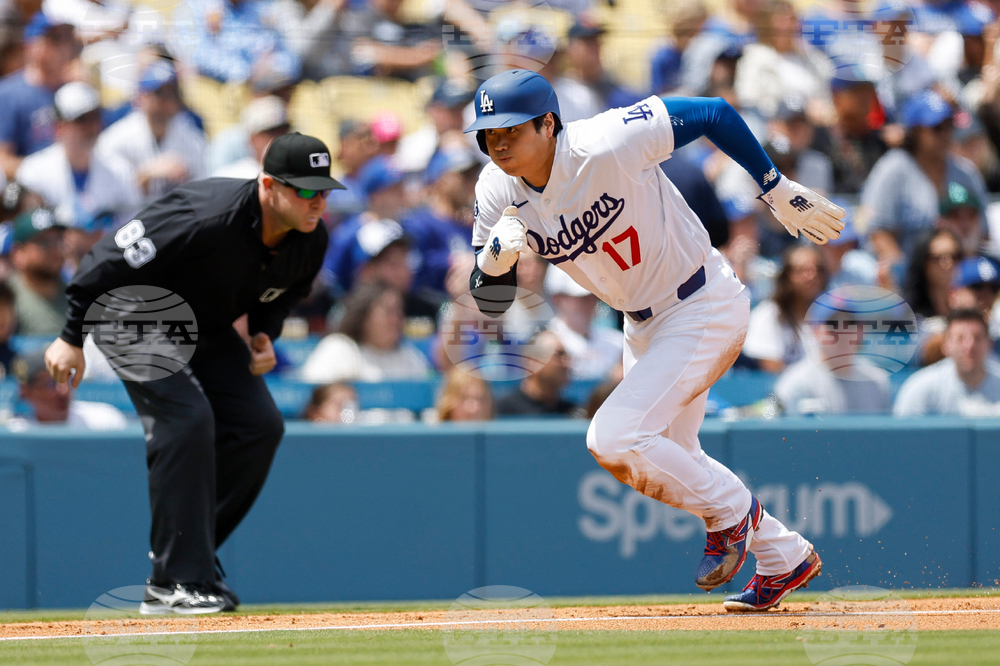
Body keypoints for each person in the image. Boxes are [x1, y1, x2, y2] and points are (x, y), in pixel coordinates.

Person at [465, 69, 843, 611]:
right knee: (675, 454)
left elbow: (712, 111)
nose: (497, 143)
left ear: (548, 123)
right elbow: (490, 304)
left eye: (511, 129)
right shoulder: (495, 189)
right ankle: (784, 554)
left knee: (613, 438)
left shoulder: (606, 139)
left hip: (703, 301)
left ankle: (731, 516)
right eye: (488, 134)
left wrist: (774, 186)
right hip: (641, 323)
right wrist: (493, 262)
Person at [43, 132, 343, 614]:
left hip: (202, 326)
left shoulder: (311, 238)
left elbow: (284, 292)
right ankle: (177, 578)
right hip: (131, 313)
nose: (318, 202)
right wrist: (71, 335)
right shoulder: (207, 214)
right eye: (305, 190)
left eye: (324, 190)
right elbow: (108, 256)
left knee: (260, 426)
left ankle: (186, 561)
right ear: (268, 185)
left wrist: (263, 332)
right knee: (187, 419)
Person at [860, 89, 988, 284]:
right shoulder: (892, 170)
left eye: (949, 125)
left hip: (959, 279)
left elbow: (983, 232)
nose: (945, 133)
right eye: (936, 128)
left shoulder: (965, 173)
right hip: (910, 278)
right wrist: (905, 278)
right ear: (916, 131)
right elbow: (877, 232)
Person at [16, 81, 139, 229]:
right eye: (81, 120)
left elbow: (133, 224)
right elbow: (26, 234)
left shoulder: (120, 170)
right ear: (59, 126)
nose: (91, 126)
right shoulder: (33, 173)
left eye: (95, 117)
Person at [95, 63, 207, 206]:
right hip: (131, 216)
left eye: (172, 93)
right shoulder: (116, 139)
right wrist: (145, 175)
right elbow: (106, 195)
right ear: (141, 97)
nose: (166, 101)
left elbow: (202, 192)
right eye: (159, 93)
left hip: (176, 215)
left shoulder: (193, 140)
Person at [301, 281, 432, 383]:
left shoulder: (409, 356)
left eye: (399, 312)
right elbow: (316, 398)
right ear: (363, 316)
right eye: (389, 311)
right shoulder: (339, 349)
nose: (396, 319)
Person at [0, 11, 78, 180]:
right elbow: (2, 162)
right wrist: (46, 173)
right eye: (55, 38)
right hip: (30, 188)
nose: (64, 45)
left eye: (68, 37)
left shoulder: (76, 90)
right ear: (31, 46)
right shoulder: (7, 94)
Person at [774, 305, 891, 415]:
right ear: (816, 331)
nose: (843, 333)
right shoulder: (794, 383)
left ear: (861, 330)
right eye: (833, 325)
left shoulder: (878, 380)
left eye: (850, 324)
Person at [894, 308, 1000, 416]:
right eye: (960, 338)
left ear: (989, 343)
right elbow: (905, 425)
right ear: (946, 344)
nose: (969, 346)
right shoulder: (921, 388)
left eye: (977, 338)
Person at [743, 245, 829, 373]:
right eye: (803, 270)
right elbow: (770, 367)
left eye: (818, 270)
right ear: (787, 275)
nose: (812, 276)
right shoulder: (768, 314)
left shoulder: (826, 315)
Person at [11, 349, 128, 429]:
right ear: (26, 391)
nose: (64, 390)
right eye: (50, 384)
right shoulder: (16, 434)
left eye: (68, 380)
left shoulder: (106, 421)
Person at [544, 265, 622, 381]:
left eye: (593, 296)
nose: (590, 303)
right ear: (557, 299)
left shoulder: (618, 342)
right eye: (581, 298)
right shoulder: (545, 344)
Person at [8, 207, 68, 335]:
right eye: (45, 243)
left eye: (59, 239)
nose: (55, 249)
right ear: (19, 253)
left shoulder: (77, 295)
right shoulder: (7, 299)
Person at [495, 330, 577, 417]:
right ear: (532, 361)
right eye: (559, 355)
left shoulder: (573, 413)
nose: (567, 364)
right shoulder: (502, 412)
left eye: (567, 356)